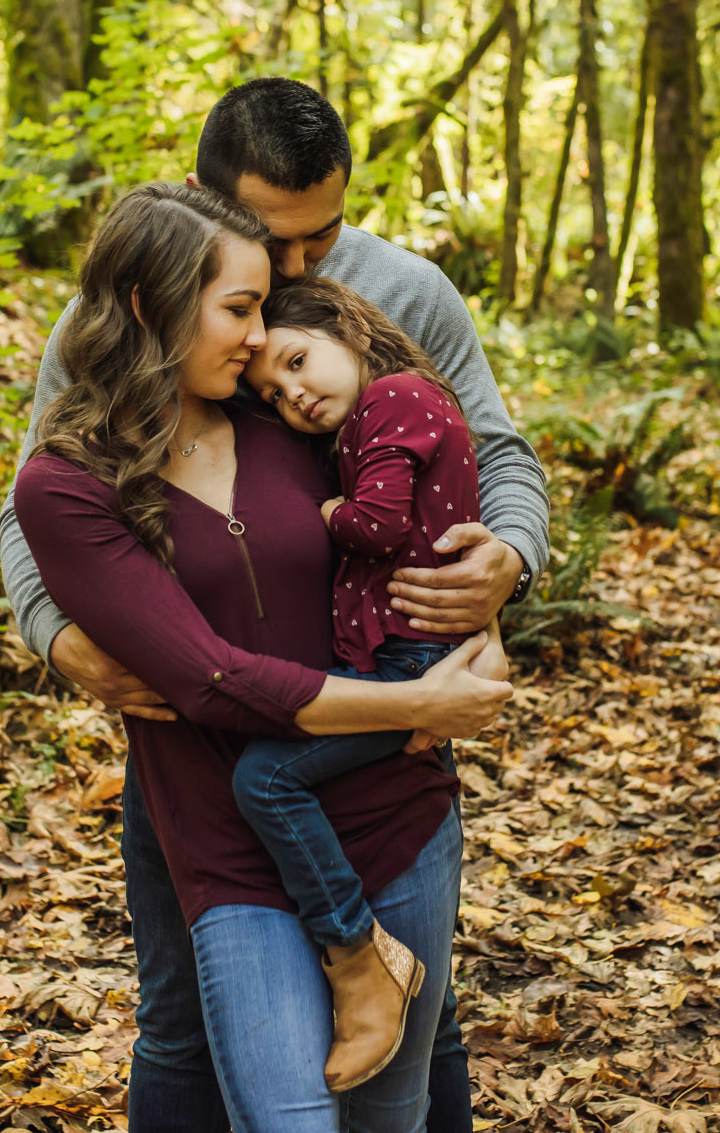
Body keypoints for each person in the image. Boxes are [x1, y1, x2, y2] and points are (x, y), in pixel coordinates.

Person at [0, 78, 549, 1131]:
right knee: (181, 1022)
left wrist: (505, 563)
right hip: (197, 750)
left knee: (424, 1028)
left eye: (322, 235)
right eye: (270, 245)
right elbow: (46, 497)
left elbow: (487, 449)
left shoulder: (402, 290)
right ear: (209, 200)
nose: (298, 272)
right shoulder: (125, 316)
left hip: (371, 724)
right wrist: (61, 637)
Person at [234, 276, 505, 1090]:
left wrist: (317, 514)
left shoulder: (395, 398)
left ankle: (357, 949)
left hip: (411, 663)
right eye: (276, 394)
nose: (296, 394)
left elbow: (378, 522)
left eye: (297, 362)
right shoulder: (373, 412)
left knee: (266, 780)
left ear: (344, 329)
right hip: (395, 659)